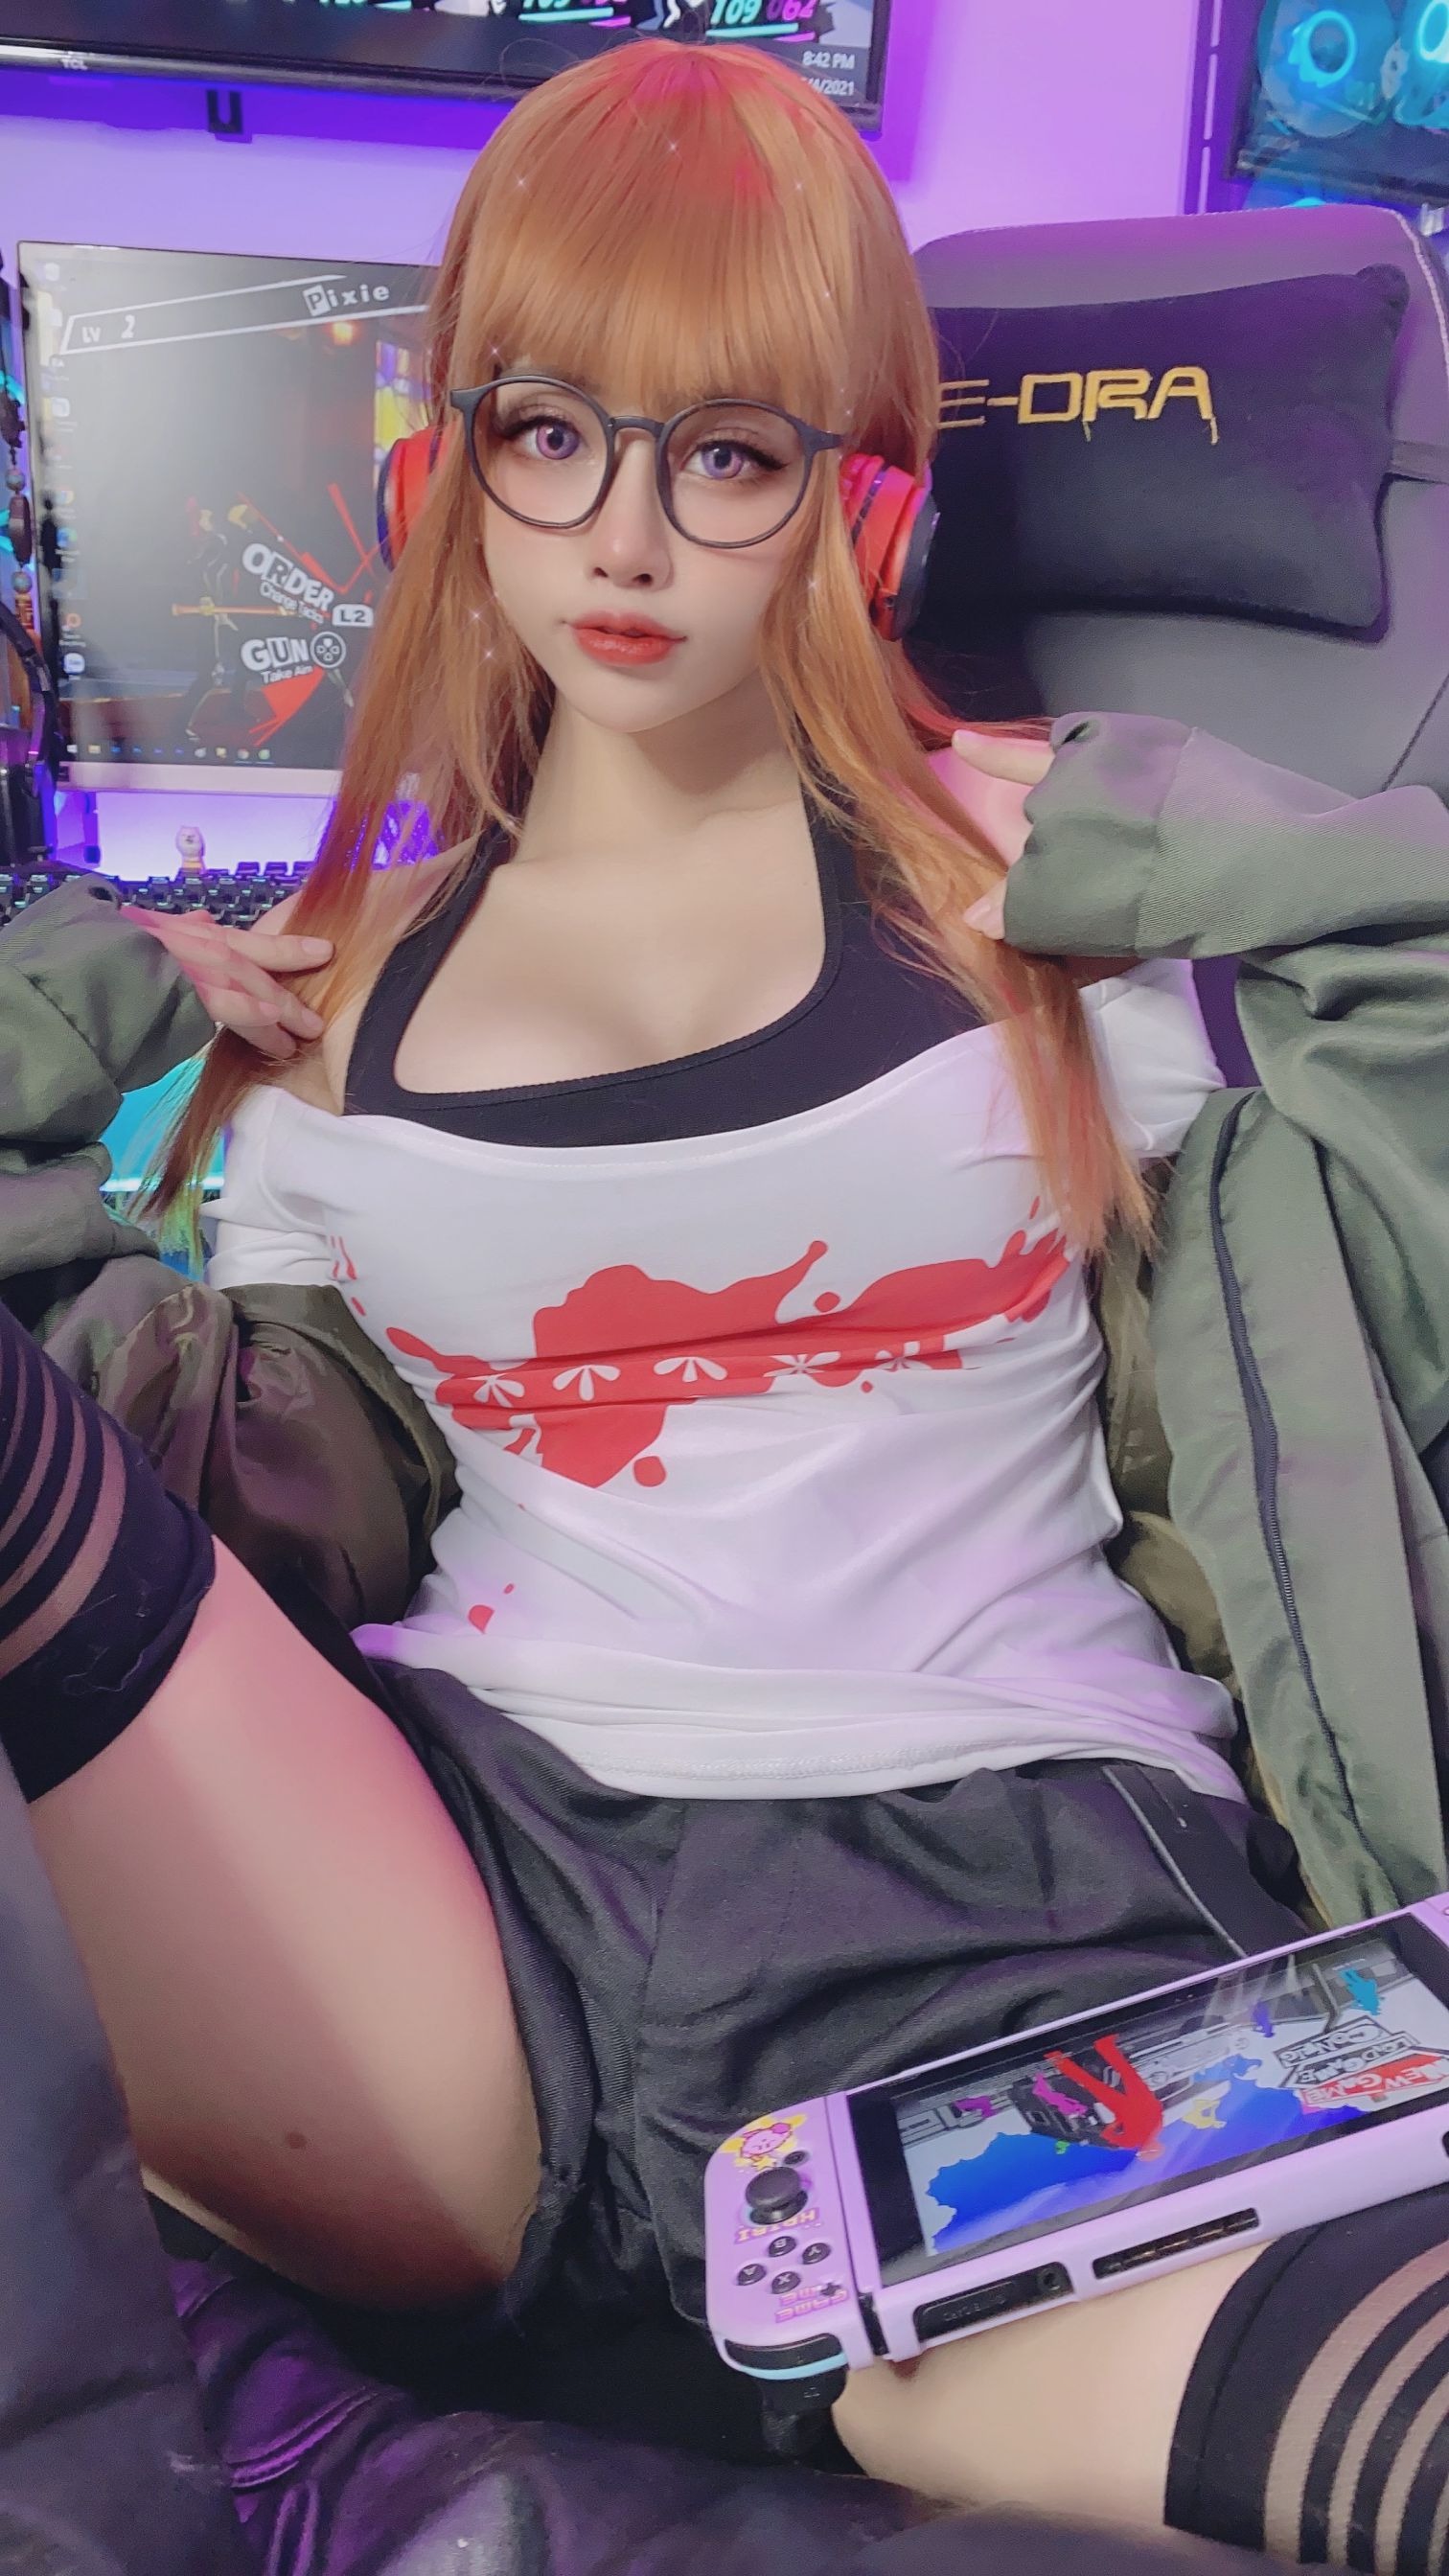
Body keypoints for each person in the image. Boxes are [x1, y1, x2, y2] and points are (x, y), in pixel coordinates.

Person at [5, 37, 1449, 2573]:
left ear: (859, 508)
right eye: (555, 435)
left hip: (1005, 1930)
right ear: (447, 473)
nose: (628, 534)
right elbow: (208, 1485)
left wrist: (1188, 837)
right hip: (456, 1922)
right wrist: (100, 992)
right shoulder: (326, 1002)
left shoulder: (1058, 914)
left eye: (731, 455)